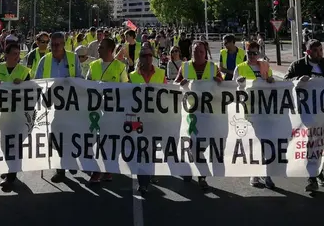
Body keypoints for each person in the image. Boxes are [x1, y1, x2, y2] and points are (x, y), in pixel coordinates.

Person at [284, 39, 324, 192]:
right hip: (305, 114)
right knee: (310, 143)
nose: (320, 54)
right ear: (308, 52)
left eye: (321, 50)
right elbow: (286, 82)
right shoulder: (298, 66)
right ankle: (312, 177)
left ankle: (318, 172)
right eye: (316, 51)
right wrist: (297, 80)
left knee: (322, 144)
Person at [34, 32, 82, 182]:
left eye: (58, 44)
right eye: (52, 45)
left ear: (63, 44)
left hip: (71, 104)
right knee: (55, 138)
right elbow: (37, 82)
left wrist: (72, 81)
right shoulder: (44, 60)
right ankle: (62, 168)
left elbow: (80, 78)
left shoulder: (73, 58)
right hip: (52, 105)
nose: (55, 47)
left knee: (71, 135)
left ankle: (70, 160)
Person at [175, 41, 222, 191]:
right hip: (191, 111)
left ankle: (196, 171)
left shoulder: (213, 67)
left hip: (209, 112)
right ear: (191, 53)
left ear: (205, 52)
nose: (198, 54)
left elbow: (222, 84)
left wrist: (219, 81)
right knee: (193, 143)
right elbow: (175, 84)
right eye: (195, 51)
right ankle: (201, 175)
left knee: (203, 143)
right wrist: (180, 83)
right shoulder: (185, 66)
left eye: (201, 51)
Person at [232, 41, 275, 189]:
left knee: (264, 142)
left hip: (264, 110)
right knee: (253, 143)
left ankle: (266, 173)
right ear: (246, 53)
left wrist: (270, 80)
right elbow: (232, 89)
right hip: (248, 111)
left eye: (255, 53)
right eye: (249, 53)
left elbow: (272, 84)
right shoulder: (241, 68)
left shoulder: (265, 66)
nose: (252, 56)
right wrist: (239, 84)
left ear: (259, 53)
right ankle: (255, 173)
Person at [85, 38, 128, 184]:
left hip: (113, 111)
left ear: (110, 50)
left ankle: (108, 170)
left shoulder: (120, 67)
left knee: (109, 142)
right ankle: (97, 171)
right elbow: (86, 85)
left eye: (101, 47)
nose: (98, 49)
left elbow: (126, 88)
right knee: (95, 141)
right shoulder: (93, 65)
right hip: (95, 111)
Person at [0, 43, 30, 189]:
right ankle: (9, 168)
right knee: (4, 144)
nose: (16, 56)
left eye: (18, 53)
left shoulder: (24, 71)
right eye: (13, 53)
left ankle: (12, 175)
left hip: (19, 115)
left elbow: (32, 91)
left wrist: (24, 84)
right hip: (3, 115)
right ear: (5, 55)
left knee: (16, 144)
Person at [128, 45, 166, 194]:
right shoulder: (132, 76)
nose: (148, 58)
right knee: (141, 149)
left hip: (155, 118)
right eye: (144, 55)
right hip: (138, 119)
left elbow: (168, 94)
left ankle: (151, 172)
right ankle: (143, 182)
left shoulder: (160, 73)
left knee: (152, 148)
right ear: (140, 58)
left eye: (150, 55)